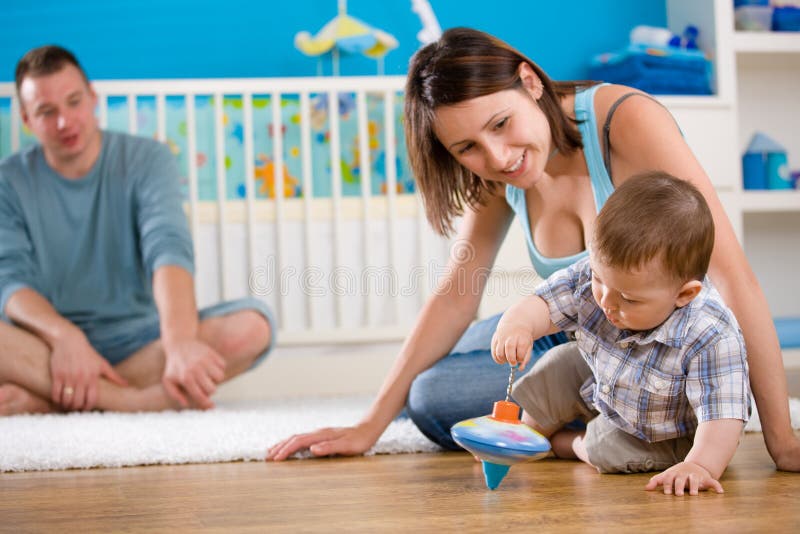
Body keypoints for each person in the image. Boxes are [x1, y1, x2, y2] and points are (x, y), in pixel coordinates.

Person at [267, 27, 800, 471]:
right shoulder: (499, 177)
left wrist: (782, 442)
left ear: (529, 81)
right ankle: (598, 420)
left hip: (652, 353)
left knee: (432, 398)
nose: (498, 157)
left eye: (501, 124)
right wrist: (369, 426)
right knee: (450, 366)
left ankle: (609, 429)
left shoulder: (622, 120)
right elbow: (456, 295)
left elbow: (732, 277)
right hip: (570, 337)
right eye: (467, 148)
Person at [0, 45, 275, 415]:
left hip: (140, 341)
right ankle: (128, 400)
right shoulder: (8, 180)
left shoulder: (149, 159)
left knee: (253, 327)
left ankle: (49, 399)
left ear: (93, 98)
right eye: (47, 112)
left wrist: (179, 343)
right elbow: (9, 282)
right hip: (43, 343)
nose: (65, 122)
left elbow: (168, 249)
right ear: (27, 119)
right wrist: (64, 336)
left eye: (74, 102)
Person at [492, 172, 749, 496]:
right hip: (606, 378)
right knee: (558, 364)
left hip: (662, 433)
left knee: (607, 447)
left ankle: (567, 444)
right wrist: (518, 323)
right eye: (599, 280)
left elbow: (723, 413)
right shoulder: (601, 277)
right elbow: (545, 301)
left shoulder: (711, 334)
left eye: (628, 299)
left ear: (684, 294)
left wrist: (700, 465)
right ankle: (523, 435)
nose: (606, 302)